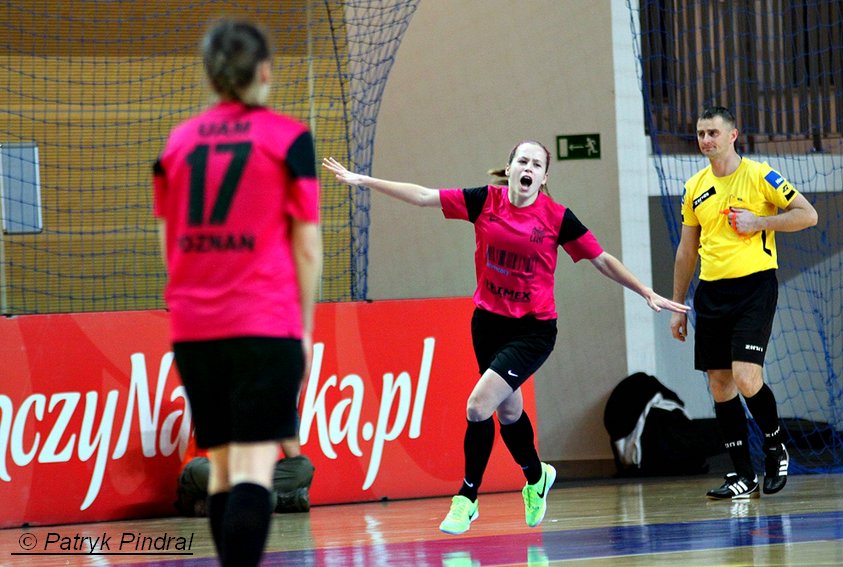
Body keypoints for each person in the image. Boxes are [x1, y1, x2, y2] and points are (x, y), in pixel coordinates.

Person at [322, 143, 688, 535]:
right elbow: (424, 195)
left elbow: (601, 259)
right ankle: (536, 477)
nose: (528, 168)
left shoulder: (557, 218)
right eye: (522, 161)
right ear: (510, 169)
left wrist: (645, 290)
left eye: (537, 164)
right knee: (509, 413)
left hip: (533, 330)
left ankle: (466, 498)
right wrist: (363, 180)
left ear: (543, 177)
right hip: (488, 325)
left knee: (478, 406)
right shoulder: (485, 202)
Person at [153, 19, 322, 566]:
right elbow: (308, 249)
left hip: (194, 330)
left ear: (211, 75)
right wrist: (303, 330)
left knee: (222, 470)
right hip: (262, 324)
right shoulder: (289, 138)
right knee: (254, 470)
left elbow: (169, 245)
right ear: (265, 72)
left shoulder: (175, 146)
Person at [670, 106, 818, 500]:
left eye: (713, 133)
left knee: (747, 377)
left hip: (754, 287)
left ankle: (775, 445)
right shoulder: (694, 186)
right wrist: (678, 305)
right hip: (711, 291)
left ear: (733, 135)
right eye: (701, 134)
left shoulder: (760, 175)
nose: (706, 140)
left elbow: (808, 214)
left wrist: (759, 222)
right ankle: (742, 476)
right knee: (719, 385)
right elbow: (687, 250)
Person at [175, 436, 315, 517]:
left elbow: (295, 457)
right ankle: (278, 500)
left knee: (303, 467)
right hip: (205, 479)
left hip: (248, 480)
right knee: (199, 469)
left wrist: (281, 415)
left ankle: (220, 505)